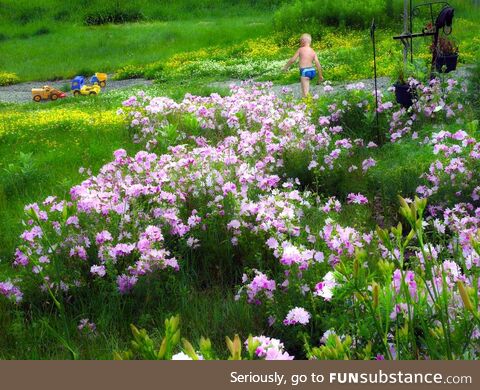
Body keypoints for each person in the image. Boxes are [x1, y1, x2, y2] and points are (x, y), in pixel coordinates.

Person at [283, 33, 324, 97]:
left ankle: (307, 104)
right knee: (307, 90)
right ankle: (310, 101)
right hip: (312, 71)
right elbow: (318, 64)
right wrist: (320, 76)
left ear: (303, 41)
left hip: (305, 72)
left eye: (300, 41)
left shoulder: (300, 49)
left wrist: (285, 67)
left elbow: (292, 60)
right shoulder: (313, 51)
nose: (299, 43)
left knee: (305, 95)